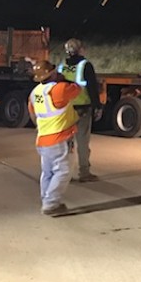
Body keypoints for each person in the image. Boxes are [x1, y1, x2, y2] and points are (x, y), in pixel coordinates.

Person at [27, 60, 83, 216]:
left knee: (48, 172)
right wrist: (64, 79)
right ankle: (51, 204)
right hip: (60, 138)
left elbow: (33, 114)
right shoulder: (60, 88)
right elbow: (78, 89)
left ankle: (46, 199)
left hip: (43, 139)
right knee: (63, 171)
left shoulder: (35, 93)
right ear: (52, 74)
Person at [58, 38, 103, 183]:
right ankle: (84, 172)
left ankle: (64, 173)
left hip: (65, 109)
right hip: (82, 108)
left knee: (66, 143)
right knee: (82, 142)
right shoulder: (85, 65)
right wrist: (97, 106)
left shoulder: (62, 66)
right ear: (80, 49)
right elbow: (92, 88)